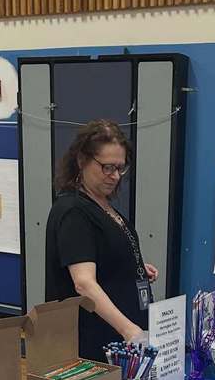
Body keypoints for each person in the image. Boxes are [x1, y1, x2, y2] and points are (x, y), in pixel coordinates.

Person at [44, 119, 158, 362]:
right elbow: (83, 283)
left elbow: (101, 253)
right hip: (97, 341)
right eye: (107, 167)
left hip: (119, 337)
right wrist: (130, 330)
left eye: (120, 168)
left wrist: (131, 267)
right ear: (82, 160)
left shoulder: (102, 205)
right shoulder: (74, 210)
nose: (115, 176)